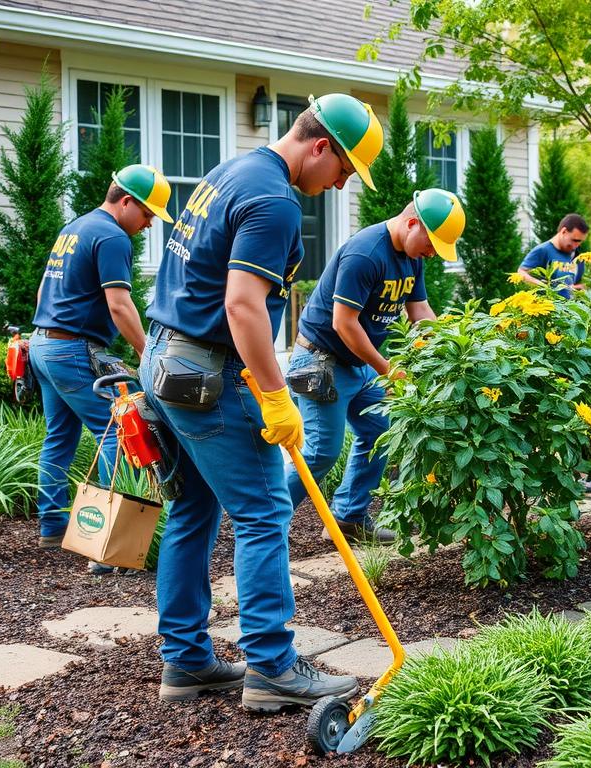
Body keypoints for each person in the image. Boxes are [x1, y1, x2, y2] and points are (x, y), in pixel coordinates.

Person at [140, 94, 383, 708]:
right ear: (321, 147)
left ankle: (187, 662)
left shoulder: (232, 171)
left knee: (194, 512)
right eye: (346, 171)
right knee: (263, 511)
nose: (339, 185)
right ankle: (272, 667)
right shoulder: (274, 200)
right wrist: (276, 397)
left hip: (165, 358)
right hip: (203, 375)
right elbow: (243, 305)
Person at [286, 189, 465, 544]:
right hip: (321, 361)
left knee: (382, 432)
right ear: (412, 223)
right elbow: (344, 324)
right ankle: (266, 523)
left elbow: (420, 314)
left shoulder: (412, 258)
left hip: (356, 363)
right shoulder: (365, 253)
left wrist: (452, 347)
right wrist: (387, 368)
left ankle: (348, 518)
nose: (431, 253)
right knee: (321, 451)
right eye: (431, 244)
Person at [30, 164, 169, 551]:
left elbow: (44, 292)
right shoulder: (111, 237)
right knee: (117, 435)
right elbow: (120, 305)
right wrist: (147, 352)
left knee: (58, 438)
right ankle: (110, 543)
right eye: (147, 214)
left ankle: (52, 526)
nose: (148, 225)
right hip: (72, 351)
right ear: (127, 202)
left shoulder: (73, 228)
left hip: (43, 345)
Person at [517, 213, 589, 297]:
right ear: (564, 231)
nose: (576, 245)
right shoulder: (543, 250)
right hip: (547, 307)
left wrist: (576, 289)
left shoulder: (576, 255)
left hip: (569, 308)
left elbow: (572, 284)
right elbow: (521, 272)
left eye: (580, 241)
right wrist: (545, 287)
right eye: (574, 240)